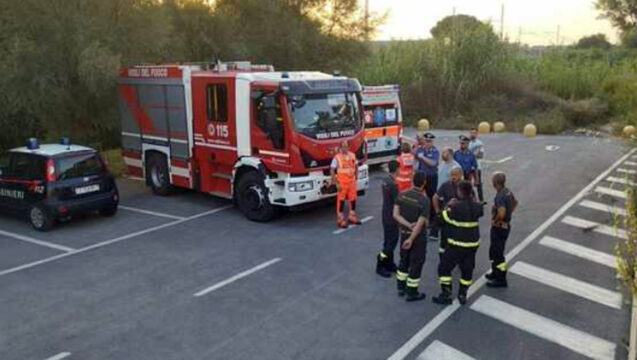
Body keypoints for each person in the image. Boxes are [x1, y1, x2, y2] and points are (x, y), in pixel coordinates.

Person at [432, 181, 484, 306]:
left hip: (456, 245)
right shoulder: (477, 207)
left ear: (460, 192)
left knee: (444, 269)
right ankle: (462, 294)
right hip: (472, 246)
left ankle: (446, 294)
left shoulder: (455, 207)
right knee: (467, 270)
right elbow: (479, 211)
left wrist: (447, 206)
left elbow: (440, 219)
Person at [393, 171, 429, 302]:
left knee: (403, 261)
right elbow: (420, 224)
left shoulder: (402, 195)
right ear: (424, 183)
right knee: (416, 263)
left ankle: (400, 287)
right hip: (417, 238)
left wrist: (407, 226)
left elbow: (395, 215)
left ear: (412, 181)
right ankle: (412, 292)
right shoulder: (424, 201)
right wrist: (411, 239)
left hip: (403, 234)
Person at [486, 172, 518, 288]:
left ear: (495, 183)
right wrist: (509, 214)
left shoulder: (500, 196)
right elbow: (515, 203)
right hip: (505, 226)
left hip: (499, 228)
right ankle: (495, 273)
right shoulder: (507, 191)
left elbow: (501, 212)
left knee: (498, 253)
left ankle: (501, 278)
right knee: (494, 251)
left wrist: (496, 221)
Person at [376, 160, 400, 278]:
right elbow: (398, 201)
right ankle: (380, 263)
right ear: (397, 169)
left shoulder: (386, 181)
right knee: (392, 242)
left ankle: (389, 263)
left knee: (388, 241)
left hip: (386, 214)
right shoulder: (392, 184)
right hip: (391, 216)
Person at [432, 166, 463, 259]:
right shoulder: (446, 185)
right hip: (447, 218)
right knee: (444, 240)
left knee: (458, 240)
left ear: (461, 175)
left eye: (455, 175)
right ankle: (443, 256)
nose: (453, 177)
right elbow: (435, 197)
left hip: (459, 219)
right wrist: (437, 210)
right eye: (451, 175)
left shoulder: (465, 185)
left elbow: (473, 199)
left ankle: (457, 258)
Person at [331, 141, 361, 229]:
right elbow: (332, 170)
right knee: (341, 201)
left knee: (353, 199)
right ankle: (340, 220)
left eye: (346, 146)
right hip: (342, 183)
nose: (345, 148)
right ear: (340, 148)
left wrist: (356, 176)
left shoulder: (352, 155)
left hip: (351, 182)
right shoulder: (337, 158)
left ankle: (352, 216)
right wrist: (336, 183)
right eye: (343, 147)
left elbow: (356, 165)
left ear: (348, 147)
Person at [468, 128, 485, 202]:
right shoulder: (466, 142)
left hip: (477, 166)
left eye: (474, 133)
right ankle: (472, 198)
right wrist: (473, 154)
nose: (472, 134)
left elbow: (481, 155)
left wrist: (472, 155)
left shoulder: (479, 143)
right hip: (468, 166)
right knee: (468, 183)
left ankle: (481, 200)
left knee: (478, 183)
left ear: (477, 134)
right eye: (471, 133)